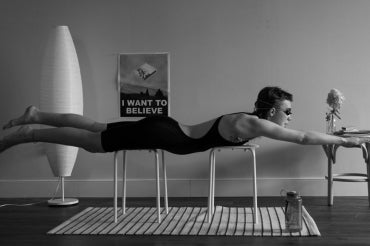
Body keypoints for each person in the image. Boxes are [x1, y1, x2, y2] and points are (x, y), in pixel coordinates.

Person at [0, 86, 366, 155]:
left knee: (96, 127)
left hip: (165, 128)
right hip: (166, 133)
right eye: (287, 110)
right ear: (271, 111)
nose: (290, 116)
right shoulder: (254, 123)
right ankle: (25, 133)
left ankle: (36, 115)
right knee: (93, 144)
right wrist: (345, 142)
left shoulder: (248, 121)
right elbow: (302, 138)